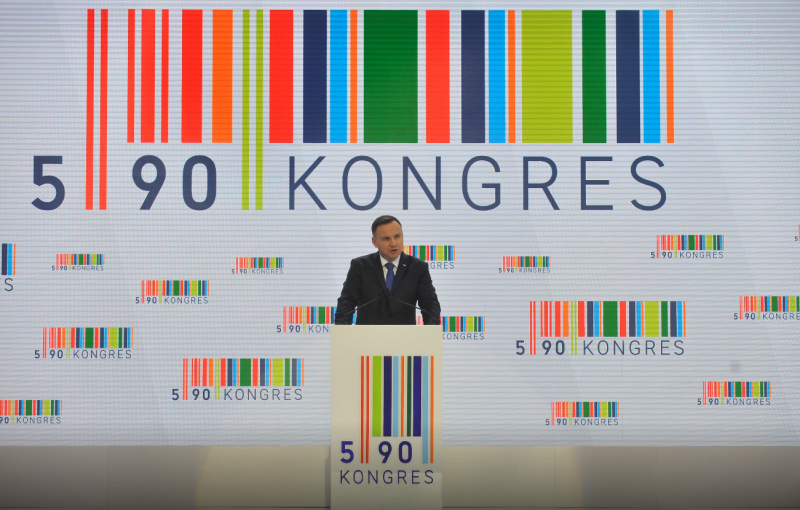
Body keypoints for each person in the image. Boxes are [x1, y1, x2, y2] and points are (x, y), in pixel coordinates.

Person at [335, 215, 441, 325]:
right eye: (386, 239)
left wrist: (431, 330)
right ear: (374, 241)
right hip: (367, 335)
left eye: (397, 236)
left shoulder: (417, 267)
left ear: (402, 236)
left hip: (405, 335)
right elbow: (346, 303)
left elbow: (430, 304)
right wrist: (342, 329)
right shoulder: (360, 266)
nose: (394, 243)